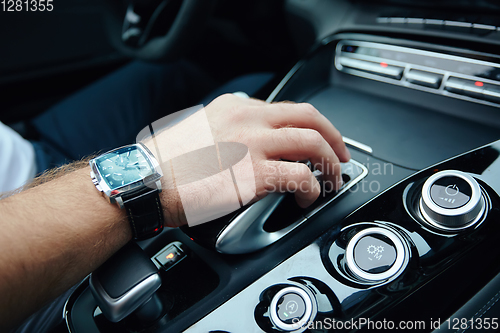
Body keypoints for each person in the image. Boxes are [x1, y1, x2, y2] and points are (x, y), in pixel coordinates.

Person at [0, 61, 350, 332]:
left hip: (28, 152)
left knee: (166, 72)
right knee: (249, 85)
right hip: (34, 222)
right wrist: (161, 173)